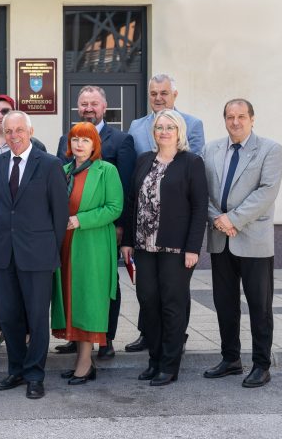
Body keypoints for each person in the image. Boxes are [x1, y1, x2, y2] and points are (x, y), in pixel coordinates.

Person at [120, 110, 208, 387]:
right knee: (148, 302)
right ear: (153, 132)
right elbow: (132, 202)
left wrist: (193, 248)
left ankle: (169, 365)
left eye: (170, 127)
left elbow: (199, 208)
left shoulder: (191, 162)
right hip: (144, 246)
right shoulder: (145, 160)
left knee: (172, 305)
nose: (164, 131)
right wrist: (127, 241)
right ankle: (154, 360)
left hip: (176, 249)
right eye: (160, 127)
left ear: (179, 131)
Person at [202, 99, 282, 388]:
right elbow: (202, 191)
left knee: (259, 305)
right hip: (220, 237)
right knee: (224, 303)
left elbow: (267, 192)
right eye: (230, 117)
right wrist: (218, 219)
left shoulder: (270, 149)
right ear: (224, 119)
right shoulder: (210, 149)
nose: (235, 122)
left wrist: (233, 219)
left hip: (253, 239)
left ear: (252, 119)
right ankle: (230, 359)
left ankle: (261, 364)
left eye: (241, 116)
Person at [0, 111, 68, 399]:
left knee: (36, 318)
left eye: (19, 130)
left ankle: (35, 374)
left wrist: (48, 249)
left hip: (38, 254)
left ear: (30, 131)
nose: (14, 136)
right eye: (9, 131)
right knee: (9, 317)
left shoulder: (49, 164)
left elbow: (60, 214)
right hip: (4, 253)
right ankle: (16, 369)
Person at [55, 86, 135, 359]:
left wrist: (122, 228)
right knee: (73, 283)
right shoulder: (66, 141)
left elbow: (125, 190)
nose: (88, 108)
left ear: (104, 107)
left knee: (102, 285)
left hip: (101, 231)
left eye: (94, 103)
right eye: (83, 103)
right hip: (69, 234)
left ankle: (105, 338)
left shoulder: (121, 140)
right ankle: (75, 336)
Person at [51, 122, 123, 385]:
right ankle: (82, 361)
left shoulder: (106, 171)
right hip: (66, 244)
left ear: (95, 145)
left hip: (93, 244)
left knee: (88, 300)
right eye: (75, 139)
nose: (79, 144)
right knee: (72, 299)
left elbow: (114, 207)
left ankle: (84, 362)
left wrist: (80, 220)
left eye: (85, 140)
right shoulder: (63, 171)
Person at [0, 94, 46, 351]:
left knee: (25, 285)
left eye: (5, 111)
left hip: (26, 231)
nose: (0, 116)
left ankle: (26, 336)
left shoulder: (37, 149)